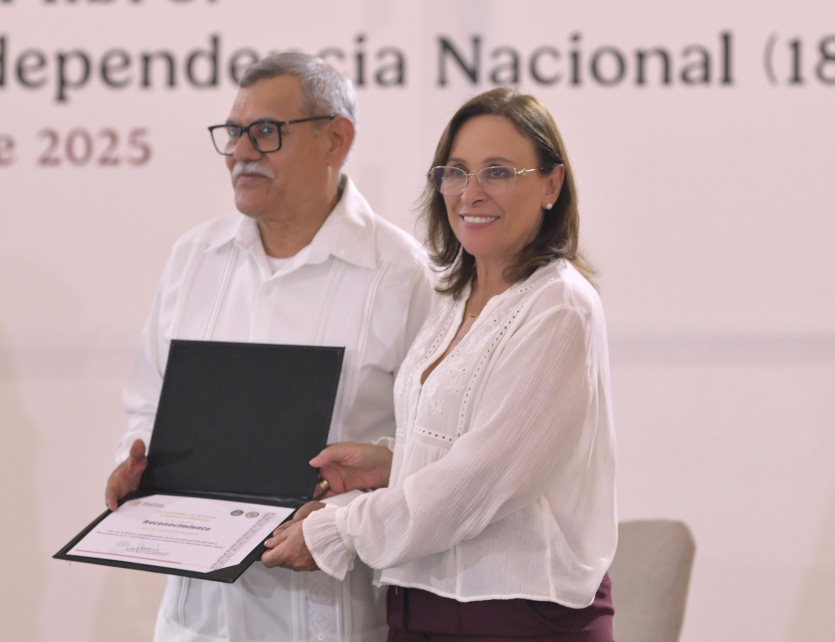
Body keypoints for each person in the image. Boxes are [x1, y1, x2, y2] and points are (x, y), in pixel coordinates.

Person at [262, 88, 617, 641]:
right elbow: (464, 445)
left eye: (497, 172)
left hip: (521, 619)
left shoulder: (560, 307)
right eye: (456, 172)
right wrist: (390, 464)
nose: (470, 193)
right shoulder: (456, 299)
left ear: (552, 184)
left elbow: (480, 480)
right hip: (418, 607)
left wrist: (340, 531)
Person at [105, 52, 433, 642]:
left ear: (336, 139)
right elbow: (147, 402)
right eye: (233, 132)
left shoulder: (403, 274)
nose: (240, 152)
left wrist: (342, 514)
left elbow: (431, 453)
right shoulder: (195, 258)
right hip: (198, 619)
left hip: (328, 612)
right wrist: (138, 467)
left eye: (265, 131)